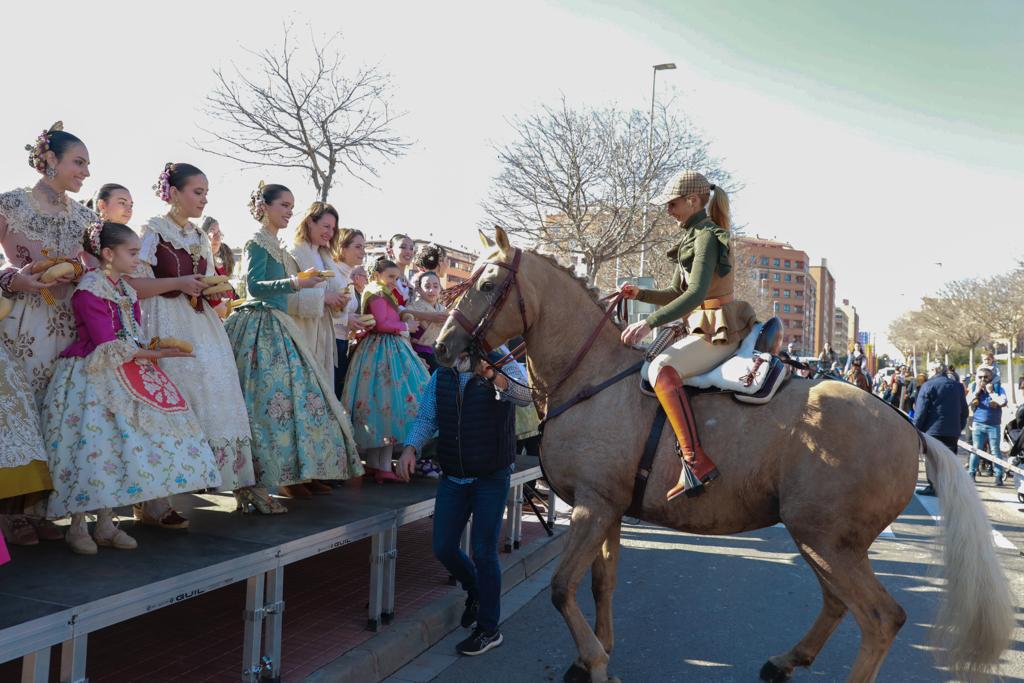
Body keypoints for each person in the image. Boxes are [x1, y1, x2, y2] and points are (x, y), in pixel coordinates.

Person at [43, 222, 221, 554]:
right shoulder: (90, 290)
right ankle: (78, 525)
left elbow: (131, 332)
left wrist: (152, 351)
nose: (138, 260)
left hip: (129, 366)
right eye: (133, 253)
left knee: (120, 445)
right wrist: (154, 354)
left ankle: (107, 523)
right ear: (108, 254)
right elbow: (105, 344)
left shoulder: (125, 288)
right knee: (91, 444)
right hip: (94, 372)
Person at [127, 162, 256, 528]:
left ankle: (193, 479)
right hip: (161, 319)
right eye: (197, 192)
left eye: (205, 193)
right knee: (166, 403)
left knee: (210, 396)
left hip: (199, 324)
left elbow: (210, 280)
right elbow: (133, 283)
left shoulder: (199, 235)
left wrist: (218, 288)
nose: (203, 199)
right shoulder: (151, 230)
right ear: (173, 193)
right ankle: (152, 500)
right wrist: (179, 282)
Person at [224, 182, 363, 508]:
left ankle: (299, 473)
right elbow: (254, 286)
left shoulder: (277, 243)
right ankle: (272, 479)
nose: (288, 211)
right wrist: (297, 282)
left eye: (291, 206)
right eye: (283, 205)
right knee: (271, 407)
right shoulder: (258, 241)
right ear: (265, 206)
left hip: (284, 326)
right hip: (266, 328)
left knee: (294, 407)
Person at [619, 171, 756, 499]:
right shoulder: (693, 236)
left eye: (672, 203)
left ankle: (694, 461)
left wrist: (649, 323)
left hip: (718, 328)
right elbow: (675, 292)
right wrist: (639, 294)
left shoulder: (707, 236)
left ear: (694, 200)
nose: (668, 209)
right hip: (700, 324)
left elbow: (694, 294)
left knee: (661, 369)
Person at [397, 348, 531, 656]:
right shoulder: (444, 369)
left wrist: (493, 376)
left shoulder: (501, 360)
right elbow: (428, 415)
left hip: (490, 475)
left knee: (484, 552)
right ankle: (476, 590)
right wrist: (410, 448)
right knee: (443, 546)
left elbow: (525, 396)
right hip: (454, 475)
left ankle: (488, 629)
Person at [0, 122, 95, 545]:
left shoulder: (87, 216)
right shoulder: (10, 204)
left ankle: (42, 509)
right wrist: (11, 279)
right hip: (21, 322)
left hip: (71, 325)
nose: (86, 173)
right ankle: (10, 513)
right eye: (79, 162)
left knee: (57, 410)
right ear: (50, 159)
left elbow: (104, 268)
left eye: (88, 165)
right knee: (21, 415)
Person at [342, 257, 429, 483]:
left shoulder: (382, 291)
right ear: (377, 274)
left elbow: (395, 313)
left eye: (397, 278)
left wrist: (405, 316)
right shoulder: (377, 292)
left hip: (386, 349)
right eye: (391, 277)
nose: (394, 282)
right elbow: (381, 324)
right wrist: (405, 326)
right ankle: (380, 466)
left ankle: (376, 464)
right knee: (387, 404)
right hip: (382, 349)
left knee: (384, 405)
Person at [289, 202, 349, 383]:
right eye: (326, 226)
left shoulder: (326, 257)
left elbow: (329, 294)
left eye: (333, 228)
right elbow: (285, 297)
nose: (330, 233)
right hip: (301, 331)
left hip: (323, 334)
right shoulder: (291, 253)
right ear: (309, 222)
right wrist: (323, 298)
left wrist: (339, 301)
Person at [912, 362, 969, 496]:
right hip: (953, 430)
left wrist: (915, 429)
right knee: (949, 460)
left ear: (934, 370)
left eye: (929, 370)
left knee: (932, 461)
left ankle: (934, 486)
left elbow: (921, 412)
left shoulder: (928, 385)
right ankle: (948, 487)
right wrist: (959, 427)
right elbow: (964, 411)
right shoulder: (958, 386)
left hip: (933, 430)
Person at [330, 228, 370, 397]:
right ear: (342, 247)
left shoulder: (347, 278)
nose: (363, 252)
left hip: (343, 343)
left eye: (364, 247)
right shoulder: (331, 274)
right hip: (329, 344)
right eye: (358, 247)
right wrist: (347, 320)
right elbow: (321, 311)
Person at [967, 366, 1007, 485]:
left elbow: (1003, 401)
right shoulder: (974, 387)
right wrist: (976, 392)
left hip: (993, 425)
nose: (983, 379)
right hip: (978, 424)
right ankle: (971, 474)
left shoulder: (998, 388)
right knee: (976, 450)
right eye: (980, 377)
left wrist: (991, 392)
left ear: (991, 378)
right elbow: (966, 402)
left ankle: (998, 476)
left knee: (995, 451)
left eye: (986, 377)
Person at [406, 271, 446, 372]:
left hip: (441, 355)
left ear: (440, 288)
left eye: (436, 286)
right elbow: (405, 336)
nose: (432, 290)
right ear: (419, 290)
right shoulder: (411, 309)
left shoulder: (444, 310)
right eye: (427, 286)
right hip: (421, 354)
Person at [201, 216, 237, 308]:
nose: (217, 237)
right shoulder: (200, 265)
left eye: (219, 233)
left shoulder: (219, 269)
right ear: (203, 235)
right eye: (213, 231)